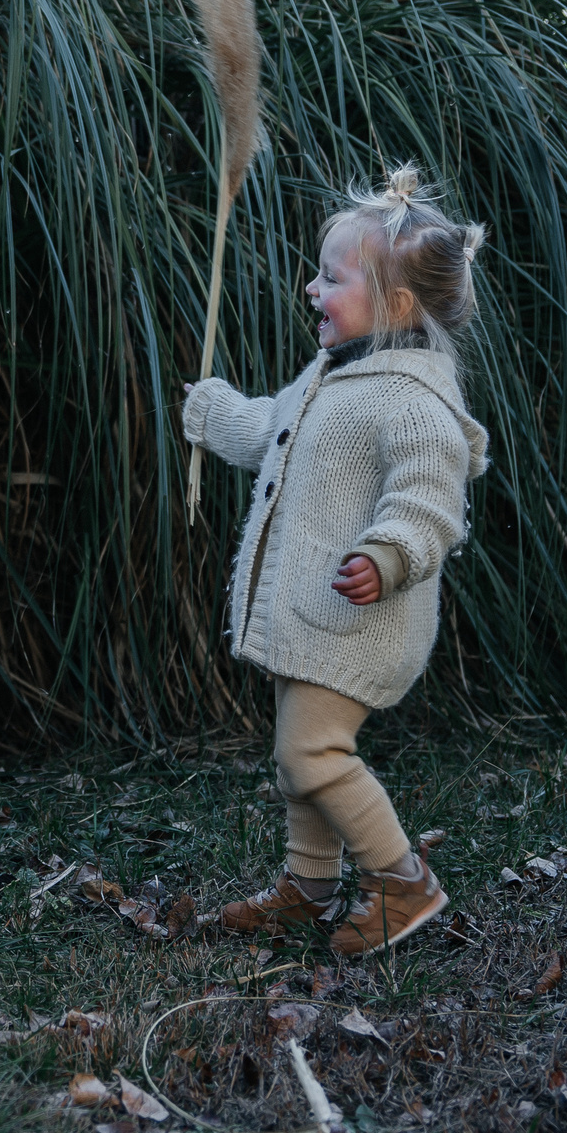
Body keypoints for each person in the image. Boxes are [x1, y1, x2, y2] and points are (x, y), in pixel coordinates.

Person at [181, 165, 490, 954]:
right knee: (299, 754)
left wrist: (386, 555)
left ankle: (401, 879)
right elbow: (269, 430)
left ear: (396, 306)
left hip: (360, 615)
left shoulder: (413, 400)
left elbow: (428, 501)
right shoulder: (333, 375)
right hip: (313, 611)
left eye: (332, 278)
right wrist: (217, 413)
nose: (312, 290)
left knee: (310, 750)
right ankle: (309, 886)